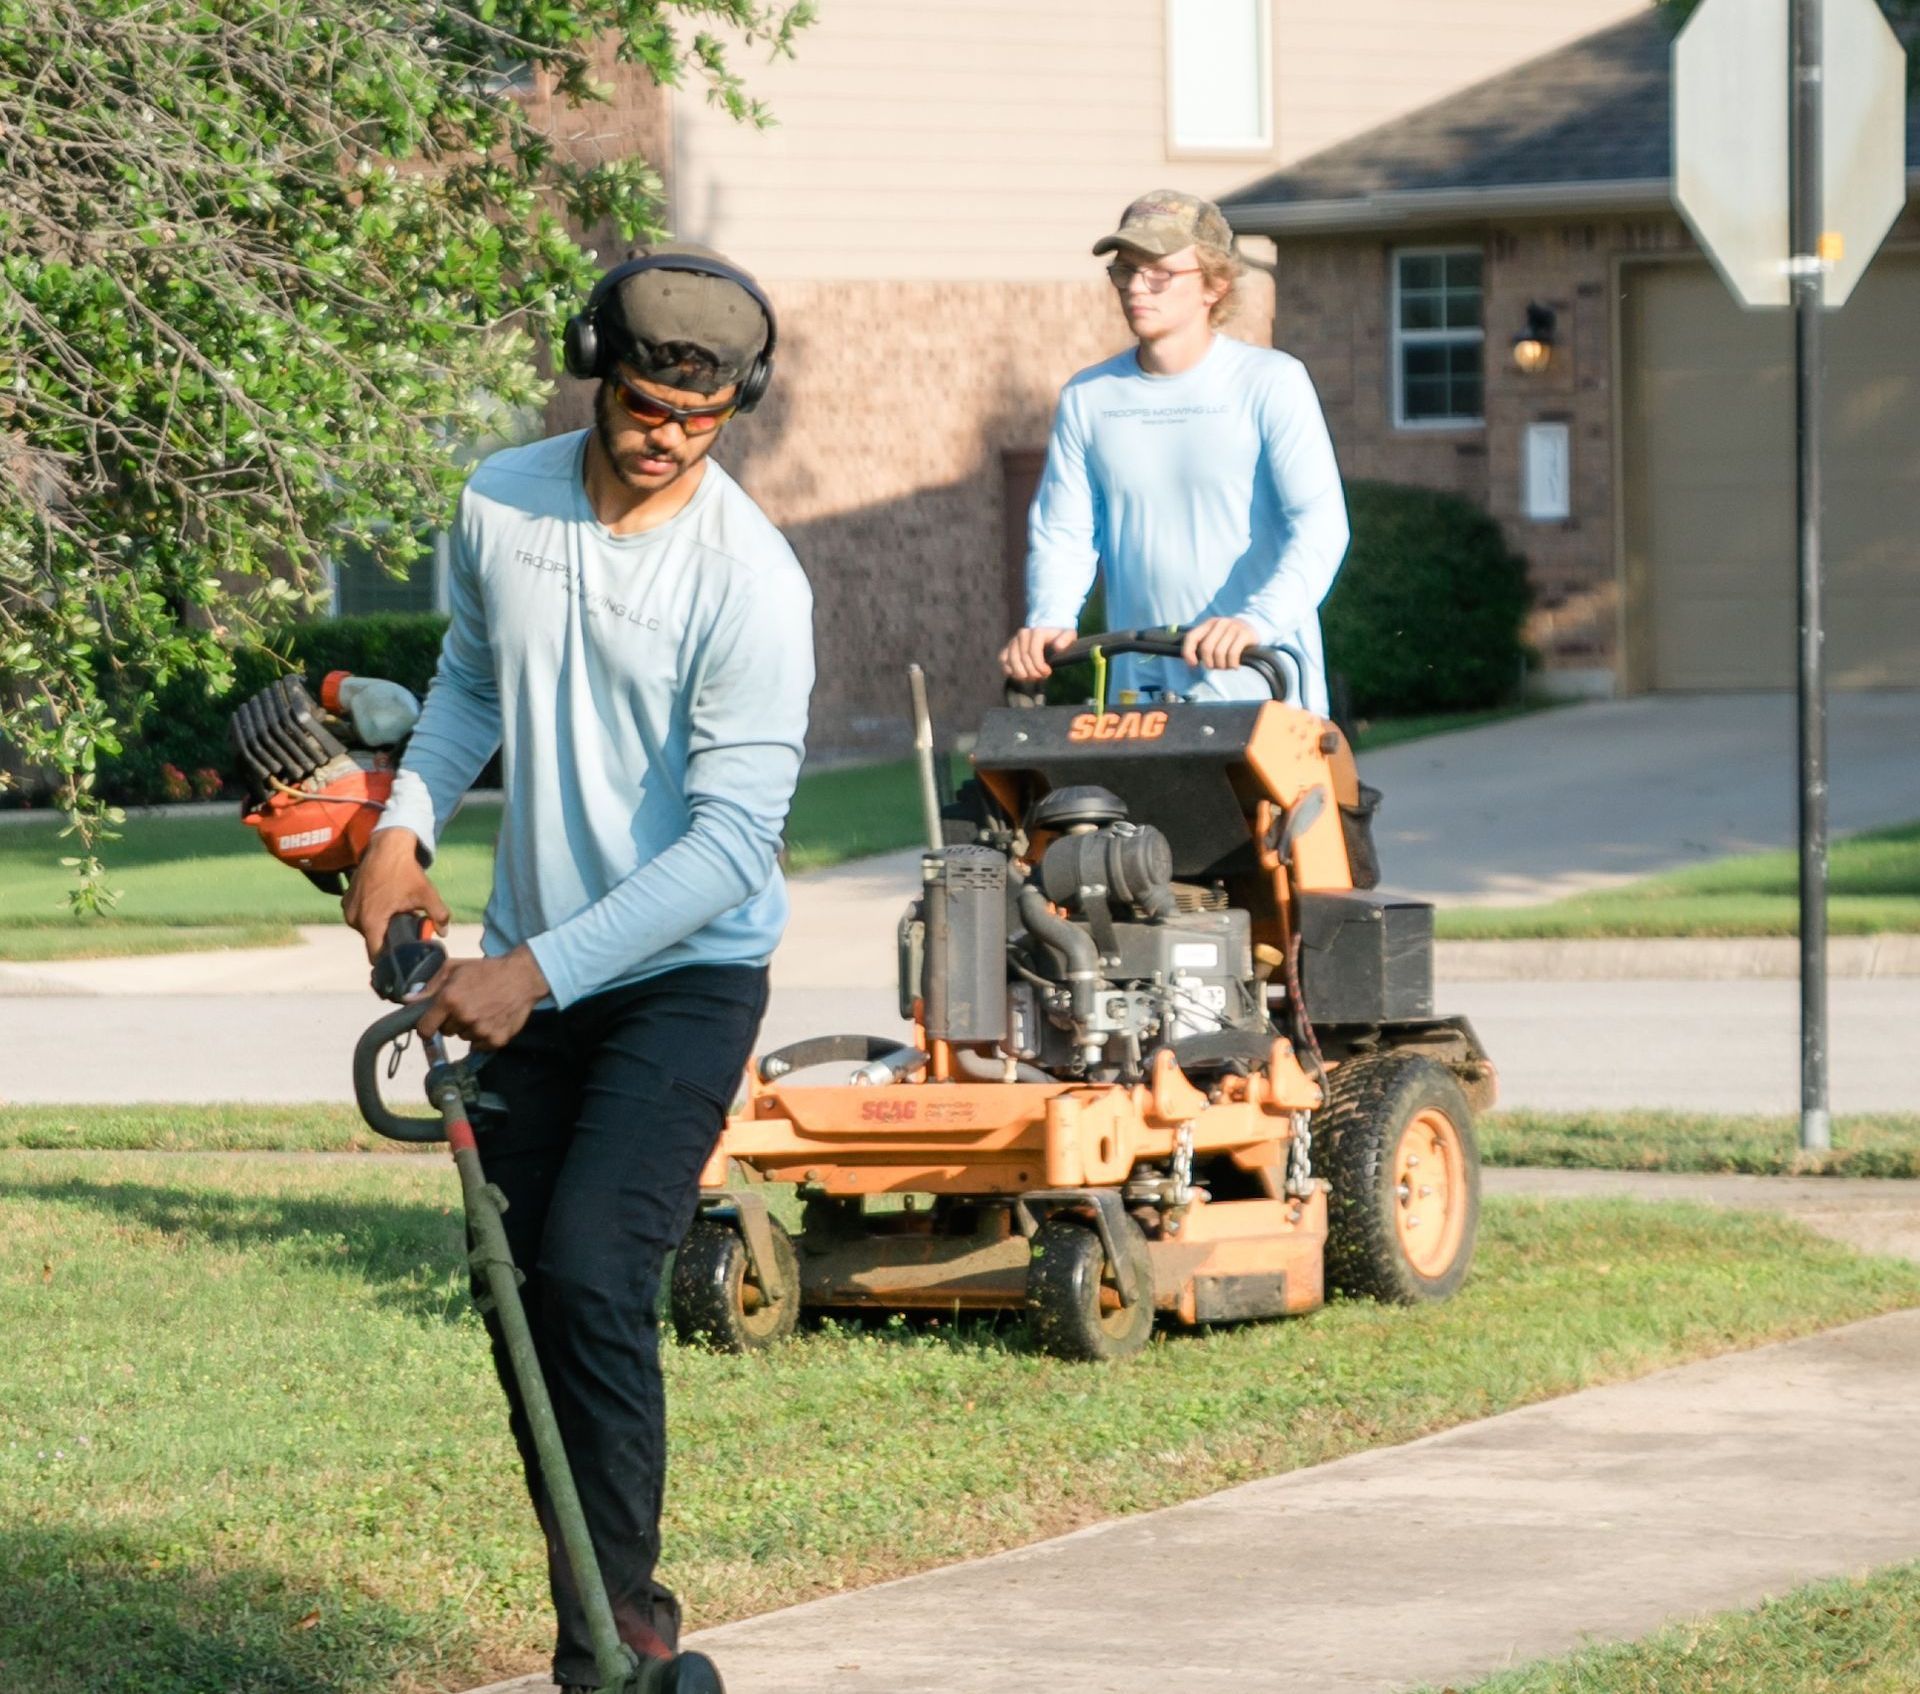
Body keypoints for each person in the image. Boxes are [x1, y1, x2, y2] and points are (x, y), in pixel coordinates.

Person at [343, 242, 814, 1693]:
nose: (668, 433)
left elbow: (735, 844)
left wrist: (532, 970)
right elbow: (473, 685)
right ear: (594, 368)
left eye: (702, 411)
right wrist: (402, 829)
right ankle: (598, 1635)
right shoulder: (504, 496)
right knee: (518, 1286)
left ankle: (623, 1640)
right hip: (534, 961)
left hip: (684, 972)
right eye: (644, 401)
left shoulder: (750, 579)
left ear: (733, 404)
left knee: (599, 1270)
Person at [1000, 189, 1350, 713]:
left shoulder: (1270, 383)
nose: (1138, 287)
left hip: (1264, 691)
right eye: (1126, 270)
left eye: (1160, 271)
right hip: (1139, 703)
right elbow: (1065, 534)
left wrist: (1254, 622)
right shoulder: (1089, 398)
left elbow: (1322, 528)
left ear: (1215, 283)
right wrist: (1051, 616)